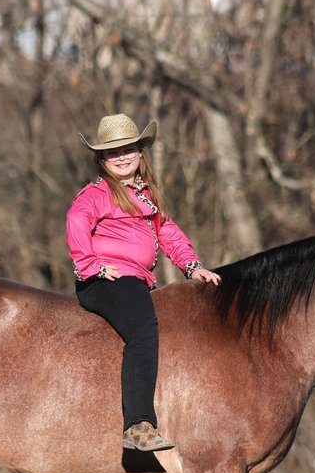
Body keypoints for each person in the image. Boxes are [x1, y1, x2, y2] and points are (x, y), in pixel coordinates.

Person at [67, 113, 221, 452]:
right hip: (107, 280)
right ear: (102, 159)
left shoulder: (145, 194)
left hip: (135, 281)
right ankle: (137, 426)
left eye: (128, 149)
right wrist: (92, 266)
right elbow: (76, 221)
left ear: (140, 152)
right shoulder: (97, 194)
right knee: (142, 329)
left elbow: (168, 232)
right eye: (113, 152)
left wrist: (192, 266)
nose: (122, 157)